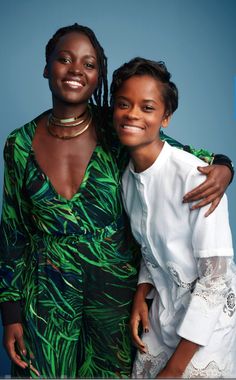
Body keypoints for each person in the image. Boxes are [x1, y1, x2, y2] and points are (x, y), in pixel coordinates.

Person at [0, 24, 234, 379]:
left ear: (99, 77)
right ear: (47, 67)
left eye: (89, 64)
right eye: (64, 59)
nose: (76, 69)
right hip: (48, 291)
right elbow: (13, 232)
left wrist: (226, 168)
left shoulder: (117, 127)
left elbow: (185, 157)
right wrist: (10, 314)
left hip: (114, 291)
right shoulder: (17, 145)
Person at [111, 56, 236, 378]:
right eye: (124, 104)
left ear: (165, 117)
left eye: (147, 108)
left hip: (206, 330)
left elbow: (217, 280)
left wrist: (175, 369)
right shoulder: (127, 180)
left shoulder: (198, 180)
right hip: (162, 317)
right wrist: (142, 291)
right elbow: (150, 248)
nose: (133, 114)